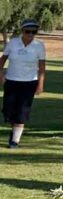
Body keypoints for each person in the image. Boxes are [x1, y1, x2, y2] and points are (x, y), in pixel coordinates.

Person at [0, 20, 46, 148]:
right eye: (28, 31)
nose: (31, 34)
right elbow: (2, 60)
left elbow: (42, 66)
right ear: (22, 31)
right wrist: (1, 75)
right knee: (9, 111)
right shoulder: (13, 43)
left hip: (29, 83)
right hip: (11, 81)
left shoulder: (39, 45)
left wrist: (40, 84)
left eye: (34, 31)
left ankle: (15, 141)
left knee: (22, 112)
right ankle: (14, 132)